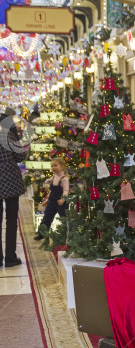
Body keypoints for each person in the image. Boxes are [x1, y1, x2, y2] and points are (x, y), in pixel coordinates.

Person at [0, 106, 29, 266]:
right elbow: (20, 155)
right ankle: (10, 257)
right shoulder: (8, 134)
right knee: (11, 219)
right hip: (10, 178)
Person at [34, 157, 69, 240]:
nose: (53, 167)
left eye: (55, 165)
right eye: (52, 165)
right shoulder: (54, 177)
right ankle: (42, 233)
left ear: (62, 167)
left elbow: (66, 191)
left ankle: (68, 235)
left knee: (64, 218)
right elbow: (52, 188)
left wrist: (63, 199)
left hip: (60, 202)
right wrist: (49, 194)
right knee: (47, 217)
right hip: (52, 202)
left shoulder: (64, 179)